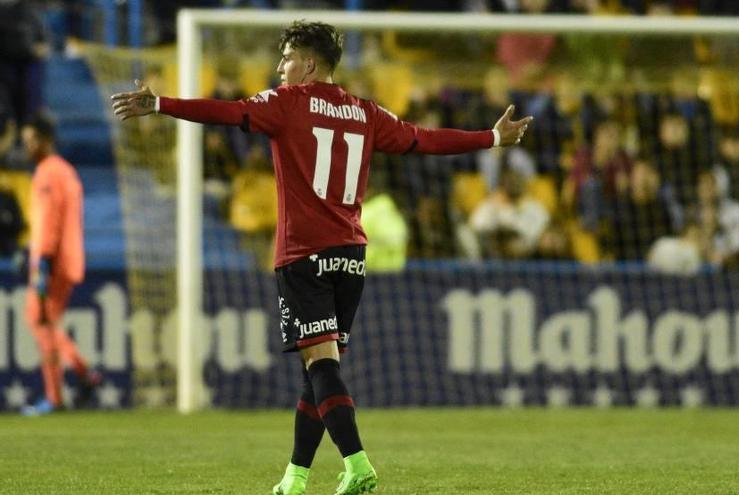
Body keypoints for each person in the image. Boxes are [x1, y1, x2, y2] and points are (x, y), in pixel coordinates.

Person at [111, 20, 531, 495]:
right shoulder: (364, 112)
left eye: (286, 58)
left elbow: (226, 113)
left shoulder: (287, 103)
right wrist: (490, 139)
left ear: (309, 63)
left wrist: (162, 104)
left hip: (303, 253)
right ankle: (295, 477)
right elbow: (421, 140)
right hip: (351, 255)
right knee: (318, 370)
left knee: (321, 367)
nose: (279, 67)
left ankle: (356, 463)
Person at [20, 114, 101, 416]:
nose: (26, 147)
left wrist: (40, 261)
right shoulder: (66, 171)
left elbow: (49, 223)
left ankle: (57, 395)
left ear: (45, 141)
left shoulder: (47, 173)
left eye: (31, 141)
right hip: (63, 258)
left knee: (41, 322)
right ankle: (81, 376)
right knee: (46, 323)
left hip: (52, 261)